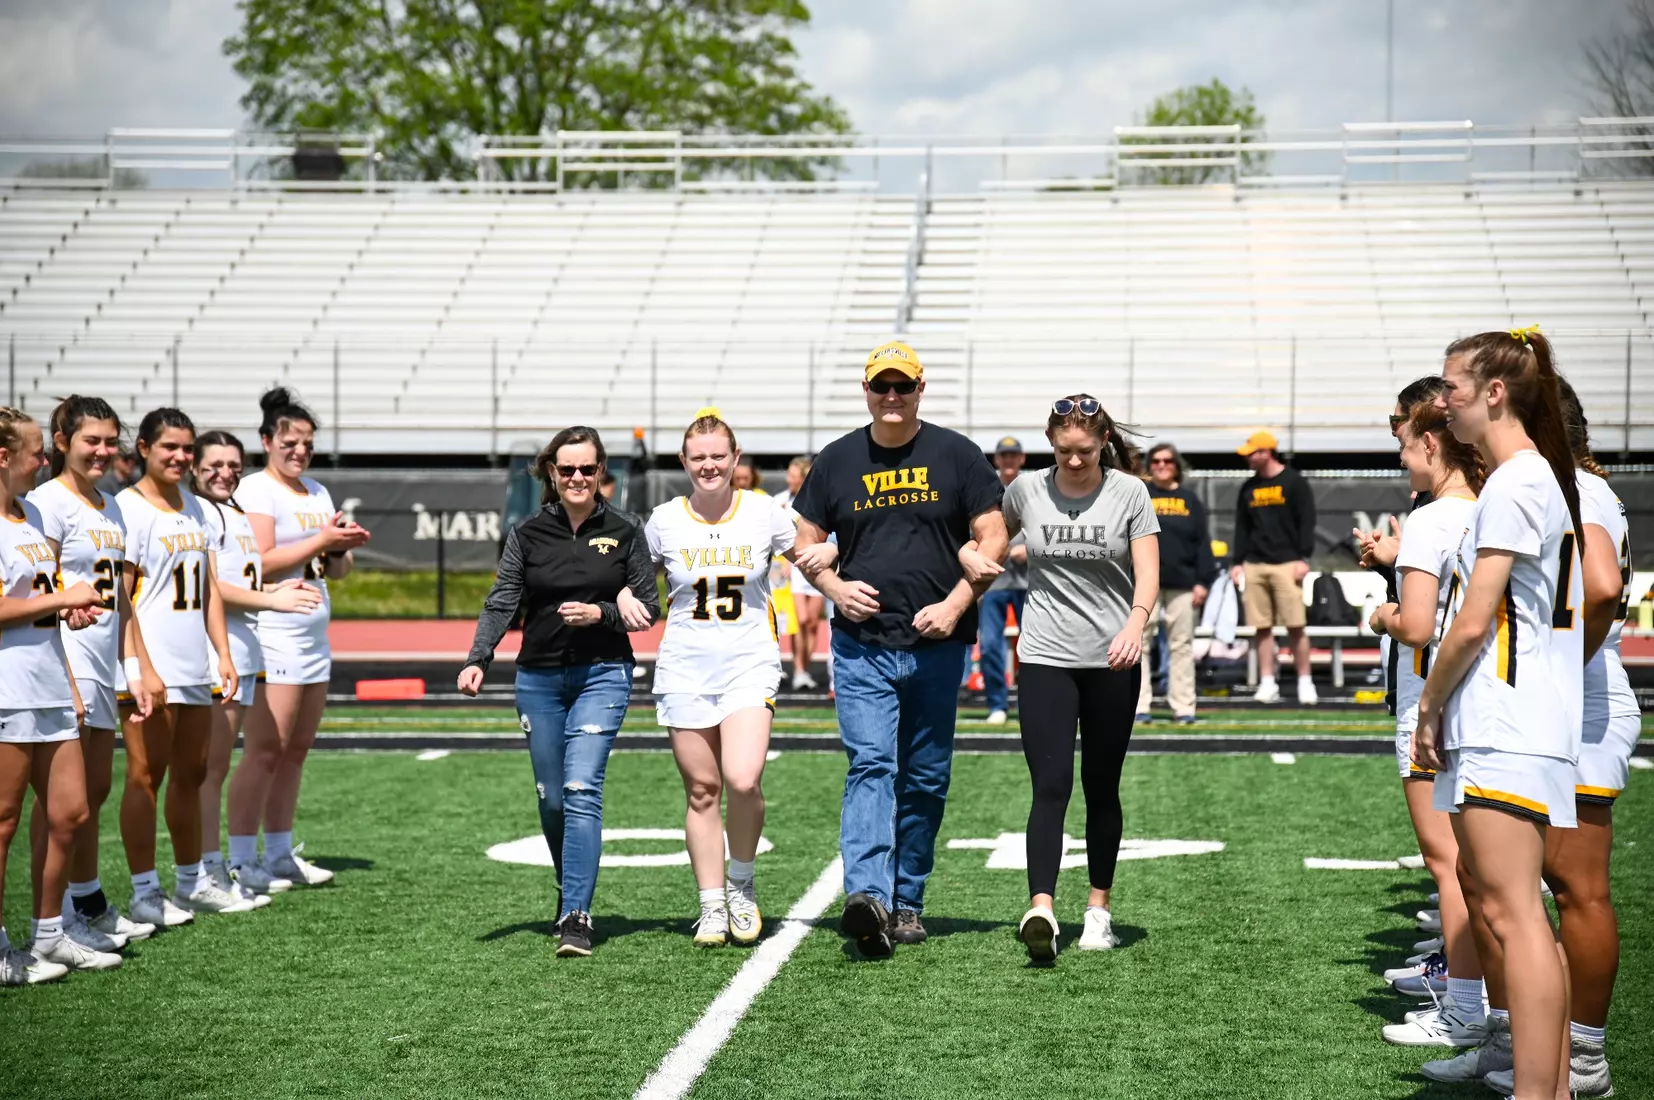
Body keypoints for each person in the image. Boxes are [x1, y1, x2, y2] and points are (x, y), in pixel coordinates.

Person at [791, 340, 1007, 959]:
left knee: (926, 779)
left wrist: (956, 603)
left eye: (902, 387)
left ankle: (907, 897)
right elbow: (805, 541)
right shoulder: (835, 461)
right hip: (862, 645)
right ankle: (868, 896)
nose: (892, 397)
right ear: (865, 391)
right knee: (870, 766)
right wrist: (833, 584)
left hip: (938, 644)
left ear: (920, 390)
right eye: (881, 387)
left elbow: (991, 537)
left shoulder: (956, 455)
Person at [1413, 327, 1583, 1100]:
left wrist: (1430, 704)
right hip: (1507, 718)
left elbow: (1475, 619)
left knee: (1516, 916)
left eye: (1452, 384)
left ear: (1494, 392)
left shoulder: (1518, 480)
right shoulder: (1526, 477)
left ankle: (1537, 1092)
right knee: (1501, 906)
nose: (1442, 397)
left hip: (1506, 720)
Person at [458, 426, 659, 958]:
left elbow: (648, 606)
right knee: (551, 801)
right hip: (539, 678)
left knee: (580, 787)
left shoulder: (625, 529)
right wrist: (478, 658)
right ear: (551, 472)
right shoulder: (527, 533)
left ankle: (577, 914)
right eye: (566, 469)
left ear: (601, 473)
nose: (576, 478)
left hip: (603, 672)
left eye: (586, 469)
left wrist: (602, 614)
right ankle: (567, 886)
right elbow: (502, 600)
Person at [1002, 397, 1159, 961]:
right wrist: (973, 557)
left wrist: (1134, 626)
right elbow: (992, 539)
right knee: (1049, 785)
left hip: (1112, 660)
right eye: (1064, 451)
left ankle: (1099, 910)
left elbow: (1148, 575)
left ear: (1103, 445)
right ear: (1049, 440)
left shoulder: (1130, 493)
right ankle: (1040, 906)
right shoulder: (1024, 490)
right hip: (1044, 654)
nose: (1074, 461)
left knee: (1101, 785)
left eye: (1085, 452)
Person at [646, 410, 798, 947]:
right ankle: (710, 905)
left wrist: (831, 568)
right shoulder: (664, 519)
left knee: (742, 778)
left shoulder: (763, 513)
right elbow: (636, 579)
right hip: (685, 666)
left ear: (736, 460)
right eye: (698, 457)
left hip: (748, 661)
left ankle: (742, 884)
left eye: (718, 455)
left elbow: (809, 555)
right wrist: (621, 594)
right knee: (703, 790)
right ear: (684, 462)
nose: (709, 465)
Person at [1365, 399, 1485, 1049]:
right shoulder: (1489, 506)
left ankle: (1467, 1006)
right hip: (1481, 698)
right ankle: (1478, 999)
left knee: (1453, 866)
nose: (1403, 457)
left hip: (1434, 699)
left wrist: (1381, 616)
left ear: (1434, 445)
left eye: (1407, 446)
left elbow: (1416, 625)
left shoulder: (1436, 517)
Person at [25, 397, 158, 952]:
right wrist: (71, 678)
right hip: (65, 662)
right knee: (62, 804)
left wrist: (138, 666)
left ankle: (86, 901)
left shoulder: (112, 507)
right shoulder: (45, 504)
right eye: (92, 441)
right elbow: (41, 591)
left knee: (93, 792)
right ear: (61, 441)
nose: (104, 451)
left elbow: (122, 602)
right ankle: (50, 920)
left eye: (110, 441)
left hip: (104, 661)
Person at [1537, 379, 1636, 1097]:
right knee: (1540, 885)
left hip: (1582, 706)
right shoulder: (1574, 484)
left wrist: (1559, 664)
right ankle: (1548, 1049)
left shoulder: (1576, 489)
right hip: (1565, 703)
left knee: (1578, 889)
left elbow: (1601, 588)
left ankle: (1585, 1059)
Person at [117, 407, 253, 924]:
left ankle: (191, 881)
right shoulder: (127, 509)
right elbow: (123, 598)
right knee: (144, 777)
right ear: (145, 450)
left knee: (192, 775)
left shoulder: (197, 508)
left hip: (195, 664)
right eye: (168, 447)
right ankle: (144, 891)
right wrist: (142, 666)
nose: (179, 456)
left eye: (186, 448)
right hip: (151, 667)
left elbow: (210, 589)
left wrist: (222, 652)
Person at [229, 388, 368, 890]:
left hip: (313, 636)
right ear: (267, 440)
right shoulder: (256, 490)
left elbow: (338, 571)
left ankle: (280, 851)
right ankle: (242, 858)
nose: (299, 451)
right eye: (290, 441)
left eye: (307, 443)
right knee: (266, 749)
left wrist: (341, 547)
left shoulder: (316, 490)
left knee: (297, 749)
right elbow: (258, 561)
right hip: (274, 633)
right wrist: (321, 541)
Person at [0, 406, 115, 983]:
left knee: (69, 812)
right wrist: (58, 598)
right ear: (4, 456)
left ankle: (50, 934)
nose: (43, 459)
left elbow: (36, 603)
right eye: (36, 450)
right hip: (8, 687)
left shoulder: (25, 517)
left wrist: (67, 612)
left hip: (48, 678)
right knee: (3, 820)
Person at [194, 431, 322, 901]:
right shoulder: (200, 513)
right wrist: (272, 600)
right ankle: (207, 872)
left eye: (233, 464)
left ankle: (223, 867)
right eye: (214, 464)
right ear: (194, 466)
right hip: (216, 653)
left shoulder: (234, 511)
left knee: (218, 767)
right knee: (208, 771)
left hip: (245, 652)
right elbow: (211, 589)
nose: (225, 472)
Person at [1229, 431, 1317, 705]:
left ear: (1266, 452)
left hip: (1288, 563)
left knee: (1295, 625)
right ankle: (1268, 681)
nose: (1248, 458)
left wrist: (1304, 557)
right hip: (1255, 564)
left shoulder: (1294, 482)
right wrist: (1237, 562)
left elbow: (1307, 521)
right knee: (1262, 627)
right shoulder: (1248, 487)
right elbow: (1242, 529)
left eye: (1252, 453)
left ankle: (1305, 680)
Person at [1137, 442, 1215, 725]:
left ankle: (1183, 707)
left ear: (1176, 466)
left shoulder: (1190, 500)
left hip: (1183, 584)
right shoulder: (1139, 496)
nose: (1161, 465)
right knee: (1138, 644)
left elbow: (1202, 544)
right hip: (1145, 584)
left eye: (1167, 461)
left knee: (1181, 645)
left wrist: (1203, 582)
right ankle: (1139, 705)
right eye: (1155, 461)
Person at [979, 437, 1028, 724]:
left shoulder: (1034, 489)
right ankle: (998, 703)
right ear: (997, 459)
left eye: (1013, 455)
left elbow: (1049, 528)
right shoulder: (986, 488)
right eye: (1004, 456)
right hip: (994, 581)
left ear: (1021, 458)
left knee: (1034, 648)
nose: (1008, 461)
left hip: (1028, 583)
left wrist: (1030, 548)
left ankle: (1030, 702)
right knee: (989, 646)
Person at [774, 456, 824, 691]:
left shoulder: (816, 500)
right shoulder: (780, 501)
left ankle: (805, 668)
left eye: (793, 476)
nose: (789, 480)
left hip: (814, 565)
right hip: (791, 570)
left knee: (812, 623)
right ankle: (798, 668)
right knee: (799, 620)